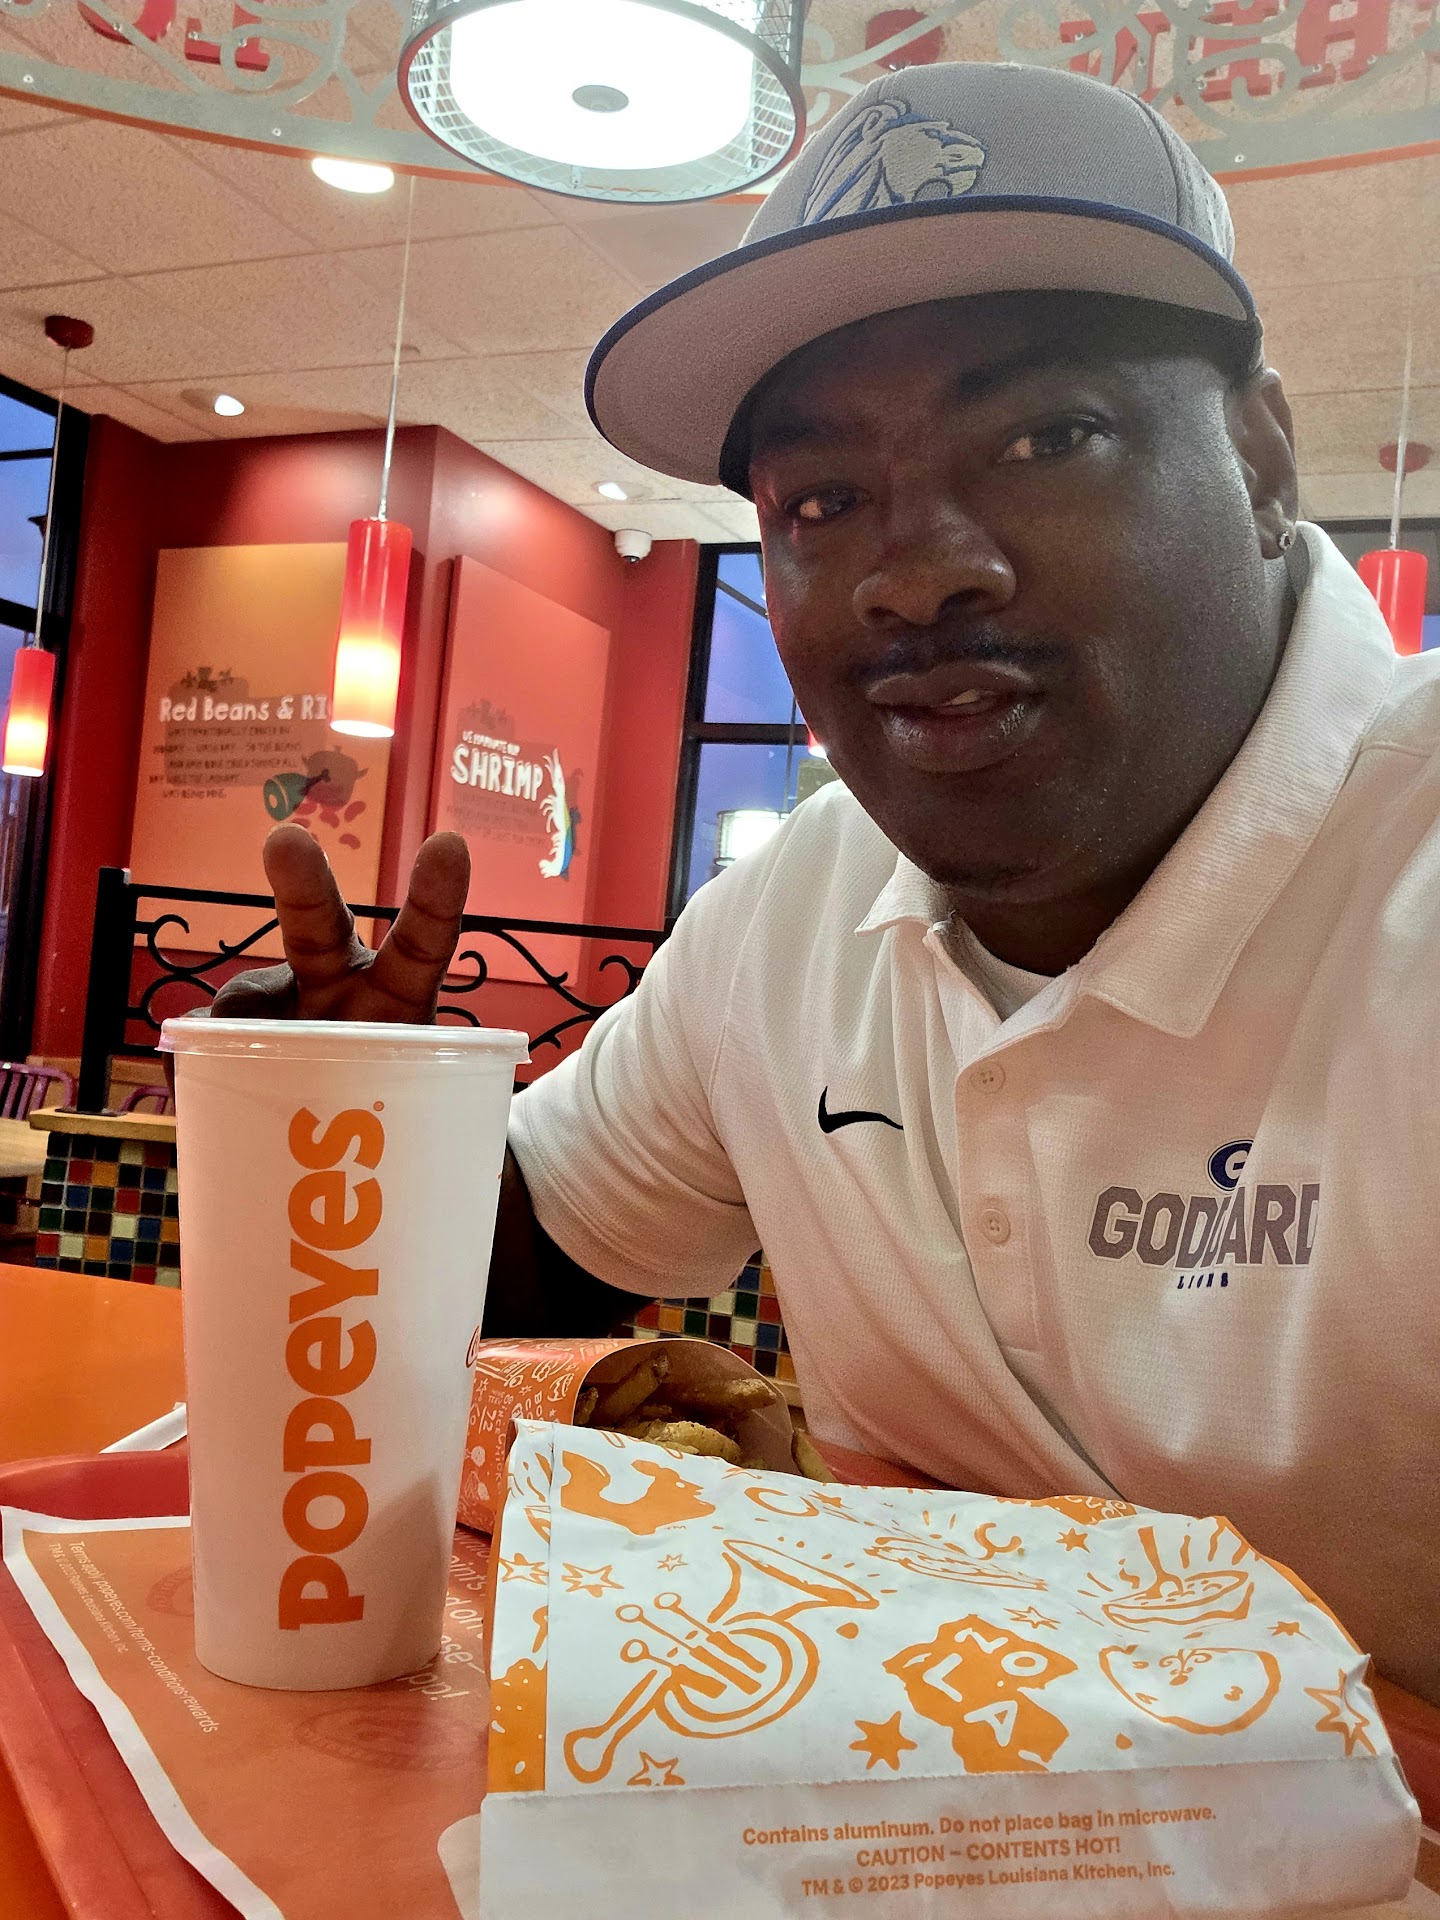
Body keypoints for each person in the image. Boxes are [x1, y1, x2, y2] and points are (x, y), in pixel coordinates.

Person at [215, 63, 1438, 1702]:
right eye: (821, 501)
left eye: (1047, 437)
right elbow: (542, 1252)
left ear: (1263, 458)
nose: (917, 573)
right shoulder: (789, 919)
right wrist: (365, 1125)